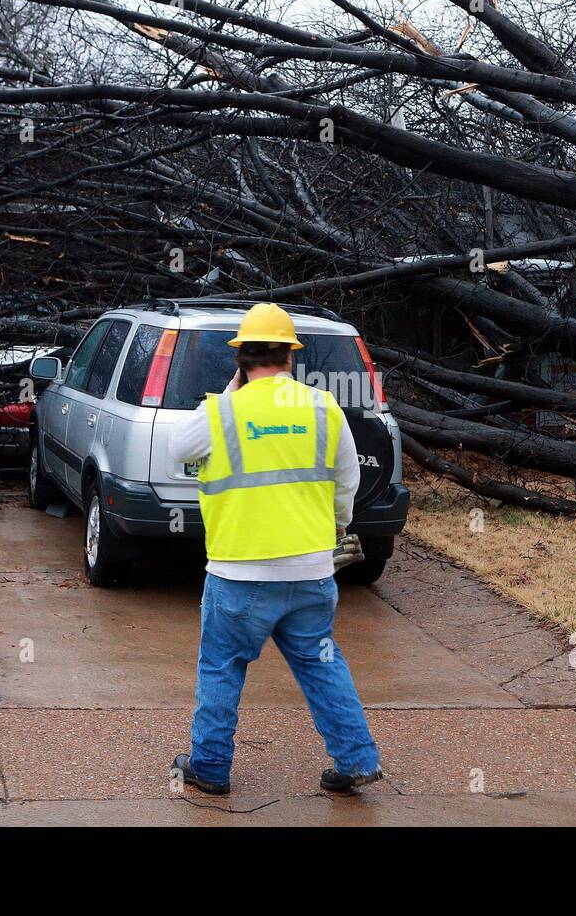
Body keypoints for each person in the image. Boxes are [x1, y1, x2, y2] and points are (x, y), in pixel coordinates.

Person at [168, 303, 382, 795]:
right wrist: (334, 528)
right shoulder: (324, 407)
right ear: (291, 355)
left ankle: (211, 768)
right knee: (323, 665)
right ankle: (356, 760)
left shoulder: (220, 412)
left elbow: (179, 451)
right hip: (310, 573)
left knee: (222, 669)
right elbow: (347, 482)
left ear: (239, 357)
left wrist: (231, 391)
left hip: (238, 576)